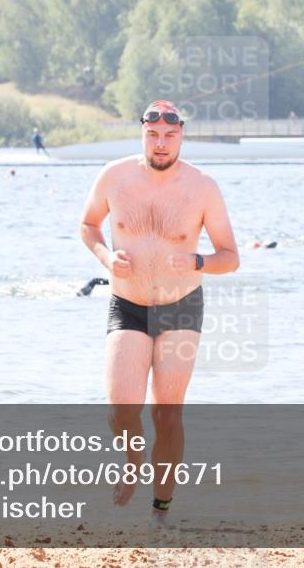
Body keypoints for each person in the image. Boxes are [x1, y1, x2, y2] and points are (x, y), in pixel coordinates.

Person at [78, 99, 240, 524]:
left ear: (181, 134)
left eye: (170, 135)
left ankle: (161, 510)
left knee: (166, 415)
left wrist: (199, 262)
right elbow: (88, 225)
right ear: (143, 134)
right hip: (127, 305)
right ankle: (133, 459)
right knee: (121, 410)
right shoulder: (114, 176)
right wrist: (105, 257)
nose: (162, 143)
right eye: (153, 135)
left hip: (181, 308)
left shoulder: (203, 187)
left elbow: (231, 257)